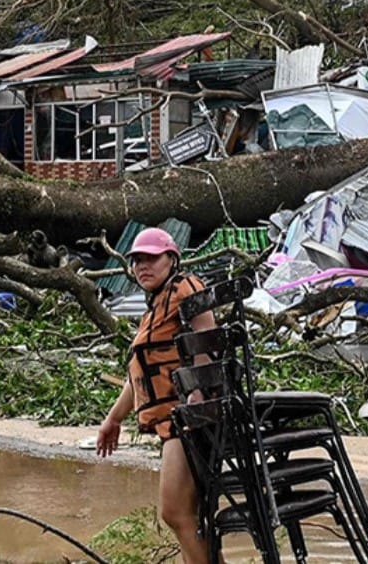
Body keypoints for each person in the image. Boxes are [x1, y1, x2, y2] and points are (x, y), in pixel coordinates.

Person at [95, 228, 220, 563]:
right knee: (186, 516)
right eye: (136, 260)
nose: (142, 266)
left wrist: (197, 390)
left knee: (175, 512)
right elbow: (139, 376)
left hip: (189, 418)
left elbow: (207, 339)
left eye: (151, 258)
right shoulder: (153, 311)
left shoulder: (185, 287)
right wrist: (113, 419)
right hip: (172, 422)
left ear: (172, 259)